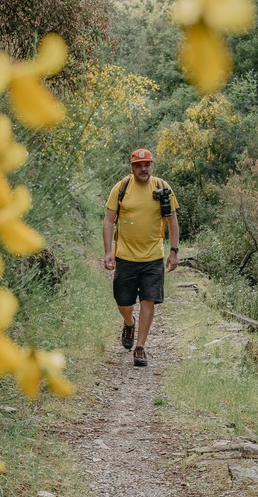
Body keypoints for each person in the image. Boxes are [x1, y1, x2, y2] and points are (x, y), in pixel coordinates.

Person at [102, 148, 180, 367]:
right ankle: (129, 322)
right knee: (123, 302)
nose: (143, 168)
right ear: (132, 168)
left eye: (147, 164)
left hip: (153, 257)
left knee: (148, 300)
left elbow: (173, 221)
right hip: (125, 257)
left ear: (151, 166)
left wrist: (174, 251)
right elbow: (108, 221)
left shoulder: (163, 188)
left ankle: (140, 347)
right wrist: (109, 251)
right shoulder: (121, 188)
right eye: (138, 165)